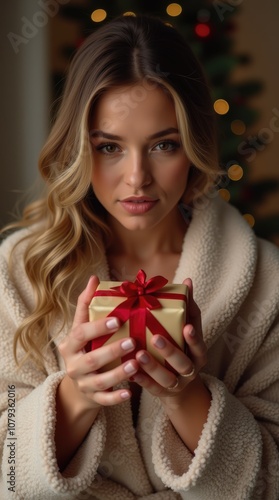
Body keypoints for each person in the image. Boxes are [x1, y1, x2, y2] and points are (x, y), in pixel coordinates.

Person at [0, 14, 278, 500]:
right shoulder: (18, 272)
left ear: (193, 147)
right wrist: (74, 398)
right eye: (108, 147)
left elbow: (271, 479)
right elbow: (5, 472)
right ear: (79, 149)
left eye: (163, 145)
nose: (136, 179)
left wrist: (186, 396)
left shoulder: (267, 283)